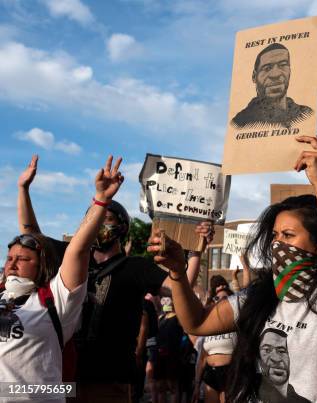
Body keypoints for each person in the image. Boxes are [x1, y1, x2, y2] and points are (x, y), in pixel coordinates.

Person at [149, 135, 317, 402]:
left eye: (288, 235)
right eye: (275, 235)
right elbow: (196, 322)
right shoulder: (259, 296)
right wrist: (177, 273)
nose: (278, 243)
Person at [16, 155, 208, 402]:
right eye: (93, 220)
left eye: (106, 220)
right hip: (64, 375)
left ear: (122, 227)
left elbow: (181, 287)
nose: (97, 227)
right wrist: (23, 188)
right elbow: (30, 234)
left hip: (110, 379)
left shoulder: (136, 267)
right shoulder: (70, 256)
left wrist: (195, 253)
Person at [0, 155, 124, 402]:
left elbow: (77, 249)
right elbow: (31, 233)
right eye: (9, 258)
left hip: (104, 376)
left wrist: (100, 200)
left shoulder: (54, 299)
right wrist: (22, 188)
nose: (12, 263)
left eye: (23, 259)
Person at [231, 43, 313, 129]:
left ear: (290, 72)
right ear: (254, 77)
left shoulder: (305, 114)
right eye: (267, 68)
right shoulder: (240, 123)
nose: (275, 74)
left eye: (283, 65)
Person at [192, 286, 238, 403]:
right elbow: (202, 358)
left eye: (225, 298)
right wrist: (197, 385)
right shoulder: (209, 326)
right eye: (217, 298)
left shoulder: (236, 323)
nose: (221, 300)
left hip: (229, 373)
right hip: (210, 373)